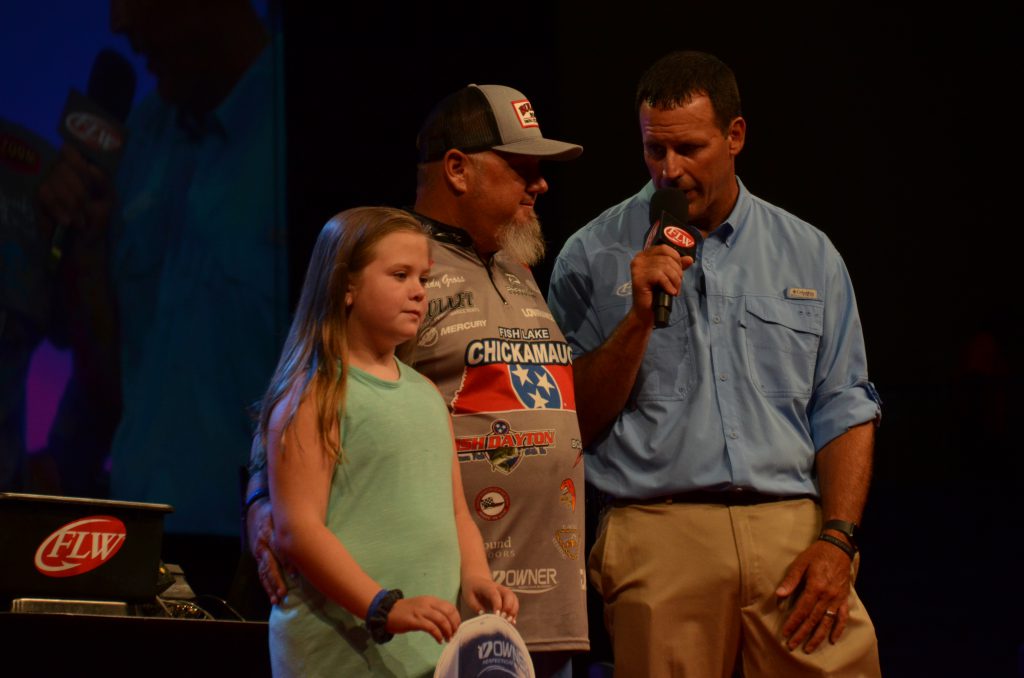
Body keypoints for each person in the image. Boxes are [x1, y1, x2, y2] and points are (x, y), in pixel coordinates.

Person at [547, 50, 882, 677]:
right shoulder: (590, 254)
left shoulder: (809, 253)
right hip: (658, 532)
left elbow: (844, 407)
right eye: (654, 150)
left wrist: (838, 539)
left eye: (689, 149)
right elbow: (570, 424)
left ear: (735, 136)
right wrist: (637, 320)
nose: (669, 171)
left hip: (792, 533)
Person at [246, 83, 588, 677]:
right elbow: (296, 399)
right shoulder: (388, 262)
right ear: (457, 169)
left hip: (533, 601)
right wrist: (260, 503)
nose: (540, 185)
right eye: (521, 168)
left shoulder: (517, 267)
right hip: (416, 623)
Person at [34, 0, 288, 598]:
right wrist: (84, 250)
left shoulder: (300, 116)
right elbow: (115, 379)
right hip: (135, 539)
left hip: (261, 558)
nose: (117, 23)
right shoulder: (140, 137)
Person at [258, 206, 518, 676]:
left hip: (421, 652)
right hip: (339, 654)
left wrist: (476, 576)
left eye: (423, 278)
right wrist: (381, 605)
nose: (419, 291)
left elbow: (456, 512)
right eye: (400, 275)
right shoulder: (315, 394)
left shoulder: (426, 394)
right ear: (346, 286)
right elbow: (299, 529)